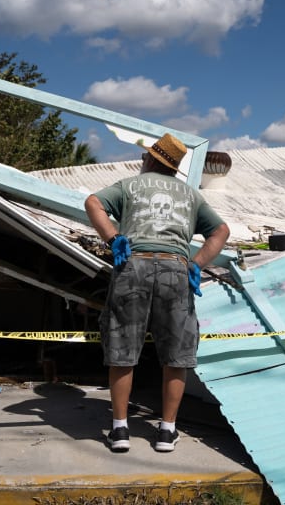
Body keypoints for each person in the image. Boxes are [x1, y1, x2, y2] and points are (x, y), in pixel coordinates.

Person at [84, 133, 230, 453]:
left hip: (132, 263)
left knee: (123, 346)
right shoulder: (192, 195)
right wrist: (197, 263)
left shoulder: (129, 186)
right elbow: (221, 231)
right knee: (176, 352)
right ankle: (166, 432)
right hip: (175, 268)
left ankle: (120, 430)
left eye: (144, 158)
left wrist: (112, 237)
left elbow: (93, 202)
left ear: (150, 159)